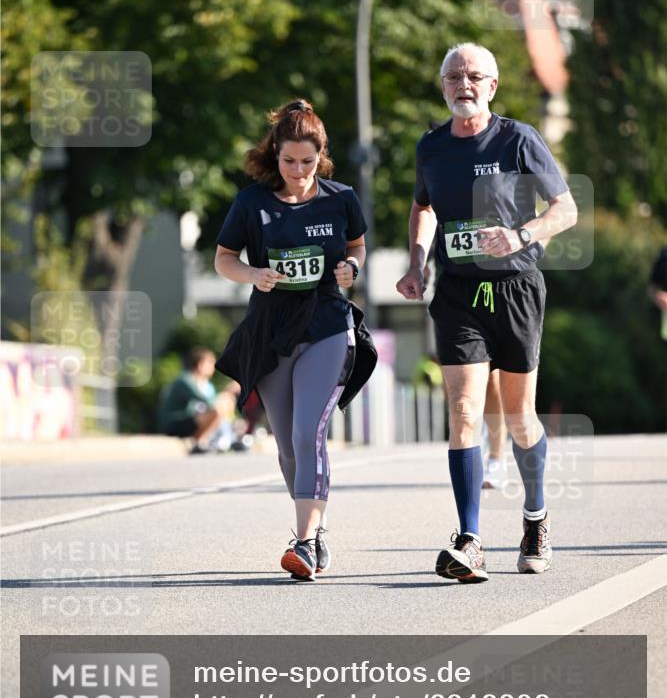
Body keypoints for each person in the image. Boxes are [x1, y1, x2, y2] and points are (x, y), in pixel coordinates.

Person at [396, 42, 577, 582]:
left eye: (475, 76)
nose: (464, 84)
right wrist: (417, 261)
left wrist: (520, 234)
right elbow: (423, 206)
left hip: (517, 288)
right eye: (454, 76)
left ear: (492, 87)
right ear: (443, 86)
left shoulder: (519, 139)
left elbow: (565, 209)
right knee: (464, 413)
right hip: (457, 292)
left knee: (520, 419)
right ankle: (470, 538)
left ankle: (535, 518)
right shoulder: (431, 147)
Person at [214, 99, 377, 581]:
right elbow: (224, 258)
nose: (298, 171)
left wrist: (353, 268)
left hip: (327, 326)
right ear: (275, 154)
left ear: (320, 156)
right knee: (286, 447)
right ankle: (316, 531)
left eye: (308, 162)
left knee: (311, 434)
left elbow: (357, 246)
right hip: (270, 332)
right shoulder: (251, 203)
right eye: (289, 161)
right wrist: (252, 274)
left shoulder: (340, 198)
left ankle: (303, 542)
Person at [157, 348, 238, 453]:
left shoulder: (205, 383)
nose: (213, 367)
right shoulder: (185, 380)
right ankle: (199, 443)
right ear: (200, 364)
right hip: (175, 422)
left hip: (189, 420)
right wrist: (227, 392)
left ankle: (224, 440)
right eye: (210, 363)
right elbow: (209, 403)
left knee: (223, 406)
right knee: (218, 410)